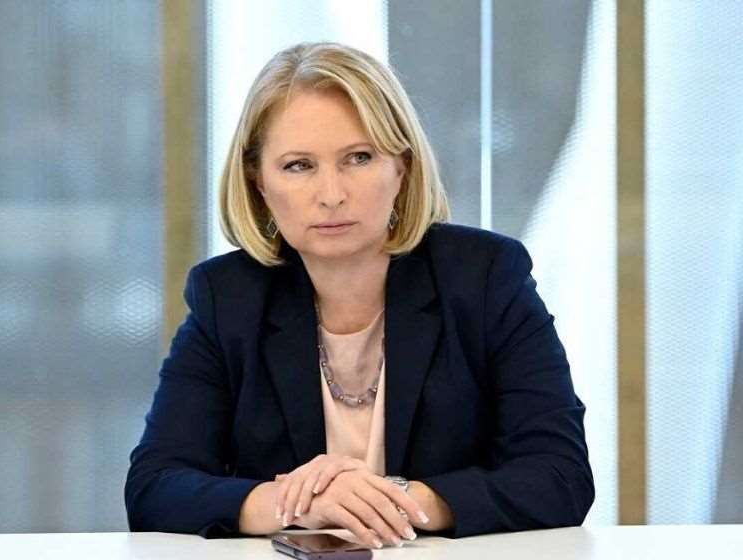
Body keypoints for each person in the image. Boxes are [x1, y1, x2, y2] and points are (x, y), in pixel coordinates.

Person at [125, 41, 594, 547]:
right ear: (258, 183)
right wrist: (299, 503)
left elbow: (560, 476)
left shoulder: (484, 277)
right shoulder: (228, 298)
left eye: (359, 157)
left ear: (402, 167)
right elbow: (155, 487)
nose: (331, 194)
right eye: (298, 165)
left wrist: (394, 500)